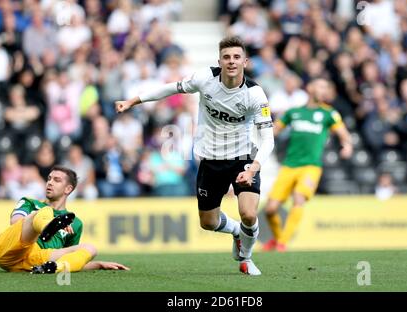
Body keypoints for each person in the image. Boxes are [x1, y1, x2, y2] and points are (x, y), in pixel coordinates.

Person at [115, 36, 275, 275]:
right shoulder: (205, 79)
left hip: (243, 159)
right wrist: (133, 101)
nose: (231, 62)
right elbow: (170, 88)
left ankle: (247, 258)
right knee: (208, 223)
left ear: (245, 61)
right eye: (227, 57)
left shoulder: (255, 95)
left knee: (249, 214)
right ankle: (235, 232)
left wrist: (253, 169)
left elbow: (268, 139)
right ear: (219, 60)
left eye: (236, 57)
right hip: (210, 160)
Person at [263, 78, 353, 252]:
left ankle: (282, 243)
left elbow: (344, 134)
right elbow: (274, 130)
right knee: (270, 210)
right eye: (321, 86)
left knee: (299, 199)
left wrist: (347, 146)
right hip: (289, 165)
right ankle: (277, 239)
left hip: (311, 166)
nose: (324, 90)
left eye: (326, 87)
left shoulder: (329, 114)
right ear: (310, 88)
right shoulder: (293, 112)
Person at [0, 165, 129, 273]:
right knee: (43, 212)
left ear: (68, 189)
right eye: (49, 178)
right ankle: (48, 225)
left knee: (91, 248)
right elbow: (15, 223)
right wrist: (45, 223)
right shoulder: (29, 202)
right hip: (11, 251)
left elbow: (69, 258)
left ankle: (53, 268)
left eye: (56, 180)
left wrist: (99, 264)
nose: (50, 183)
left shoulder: (75, 223)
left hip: (38, 260)